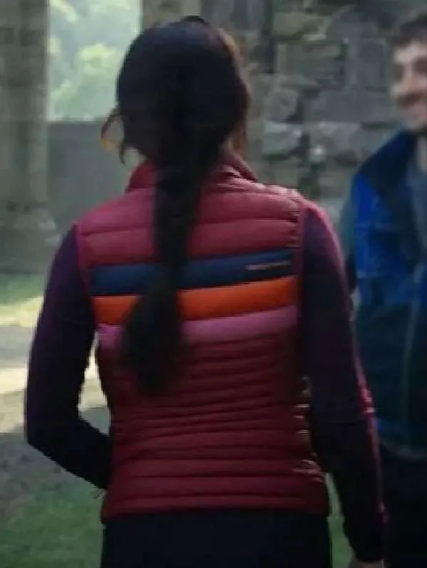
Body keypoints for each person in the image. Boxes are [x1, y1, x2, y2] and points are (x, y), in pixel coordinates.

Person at [25, 17, 384, 568]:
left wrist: (141, 478)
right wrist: (371, 544)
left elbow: (48, 420)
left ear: (128, 121)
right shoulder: (296, 229)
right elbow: (342, 411)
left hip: (143, 542)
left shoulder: (88, 245)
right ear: (236, 110)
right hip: (279, 535)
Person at [339, 11, 427, 568]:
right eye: (399, 72)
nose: (409, 86)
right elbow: (332, 297)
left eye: (422, 68)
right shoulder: (371, 184)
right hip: (389, 450)